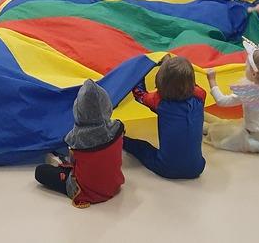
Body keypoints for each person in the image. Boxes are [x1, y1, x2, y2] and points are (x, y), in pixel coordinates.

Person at [34, 80, 124, 208]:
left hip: (83, 190)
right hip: (113, 185)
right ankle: (61, 163)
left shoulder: (76, 138)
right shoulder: (118, 127)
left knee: (41, 171)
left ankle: (60, 163)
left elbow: (74, 161)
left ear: (77, 110)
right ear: (107, 106)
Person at [203, 39, 259, 153]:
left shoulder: (251, 93)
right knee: (228, 124)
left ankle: (201, 125)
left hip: (253, 140)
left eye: (246, 67)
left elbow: (222, 101)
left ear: (254, 74)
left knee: (217, 131)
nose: (245, 69)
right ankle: (207, 121)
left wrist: (212, 80)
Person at [124, 56, 206, 179]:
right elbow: (186, 82)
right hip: (197, 167)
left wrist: (140, 71)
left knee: (141, 147)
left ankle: (120, 140)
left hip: (166, 168)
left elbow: (139, 94)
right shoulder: (200, 95)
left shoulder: (159, 101)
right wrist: (170, 66)